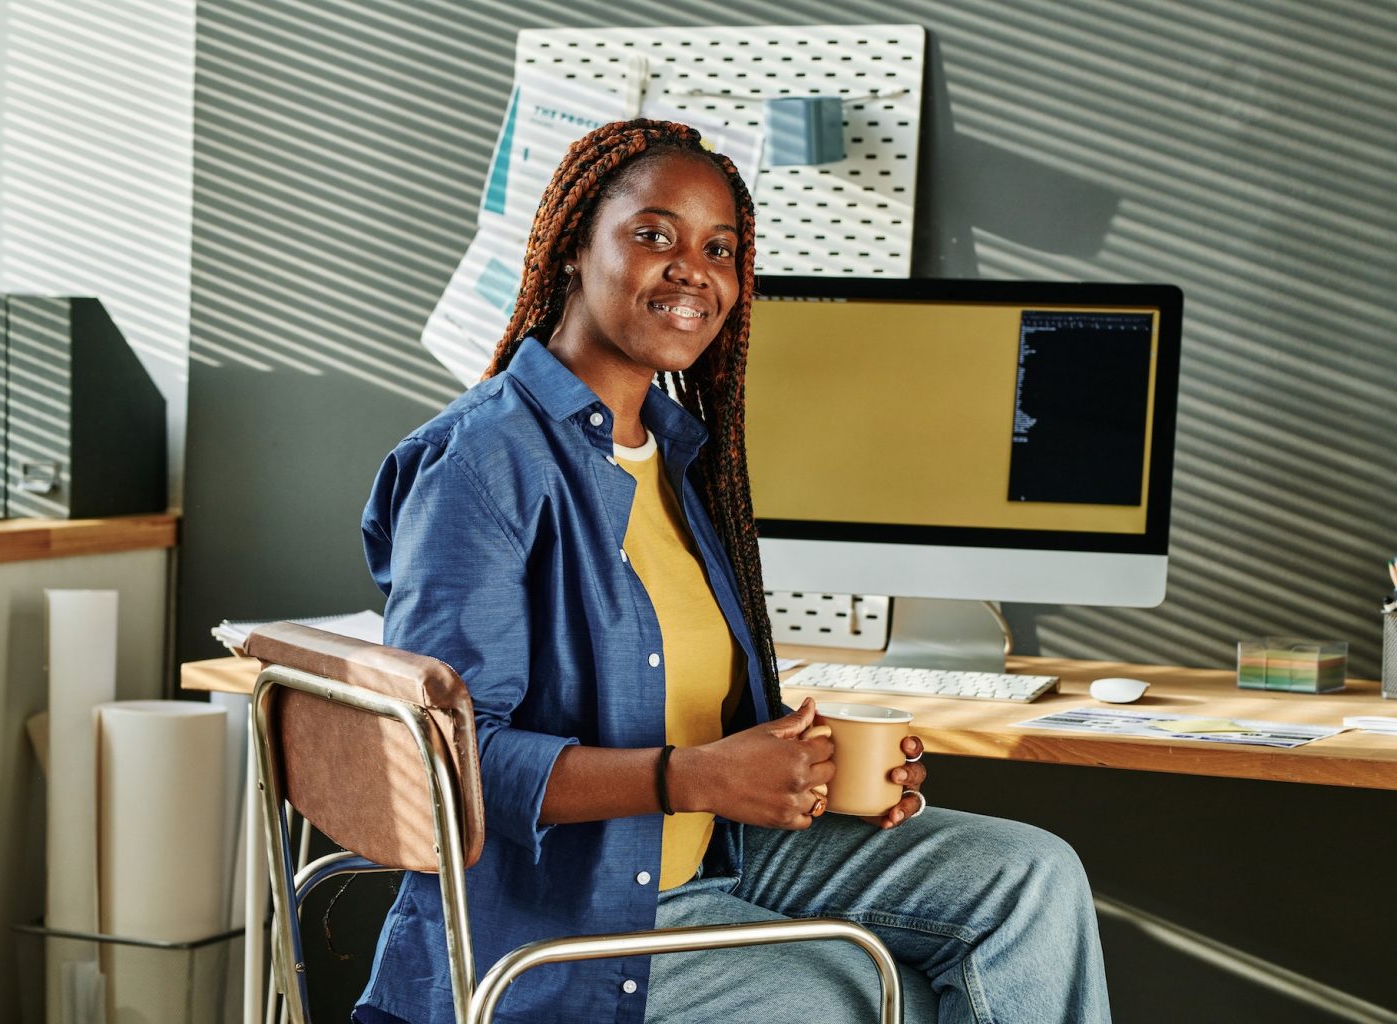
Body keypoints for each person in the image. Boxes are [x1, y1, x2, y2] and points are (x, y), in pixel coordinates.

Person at [359, 119, 1110, 1024]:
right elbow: (450, 762)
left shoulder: (676, 457)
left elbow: (682, 708)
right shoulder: (480, 465)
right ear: (571, 249)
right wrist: (693, 777)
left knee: (1033, 879)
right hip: (571, 918)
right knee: (864, 1002)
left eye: (721, 249)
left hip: (717, 851)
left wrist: (811, 770)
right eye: (654, 236)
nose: (694, 271)